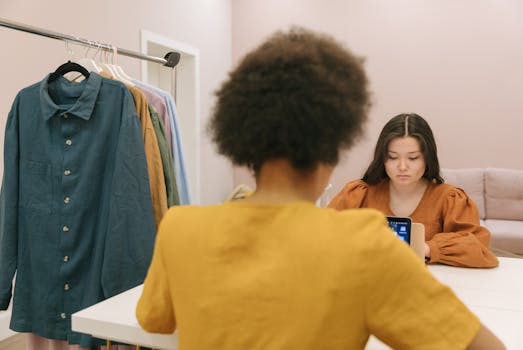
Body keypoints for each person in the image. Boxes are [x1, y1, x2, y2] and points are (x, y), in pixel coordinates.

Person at [135, 28, 504, 349]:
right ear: (331, 145)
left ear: (240, 141)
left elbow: (154, 320)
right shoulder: (365, 243)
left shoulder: (179, 227)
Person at [329, 113, 499, 268]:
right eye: (393, 157)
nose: (402, 167)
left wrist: (425, 249)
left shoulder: (450, 199)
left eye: (413, 158)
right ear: (382, 158)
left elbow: (479, 249)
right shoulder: (359, 193)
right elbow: (323, 234)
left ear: (428, 158)